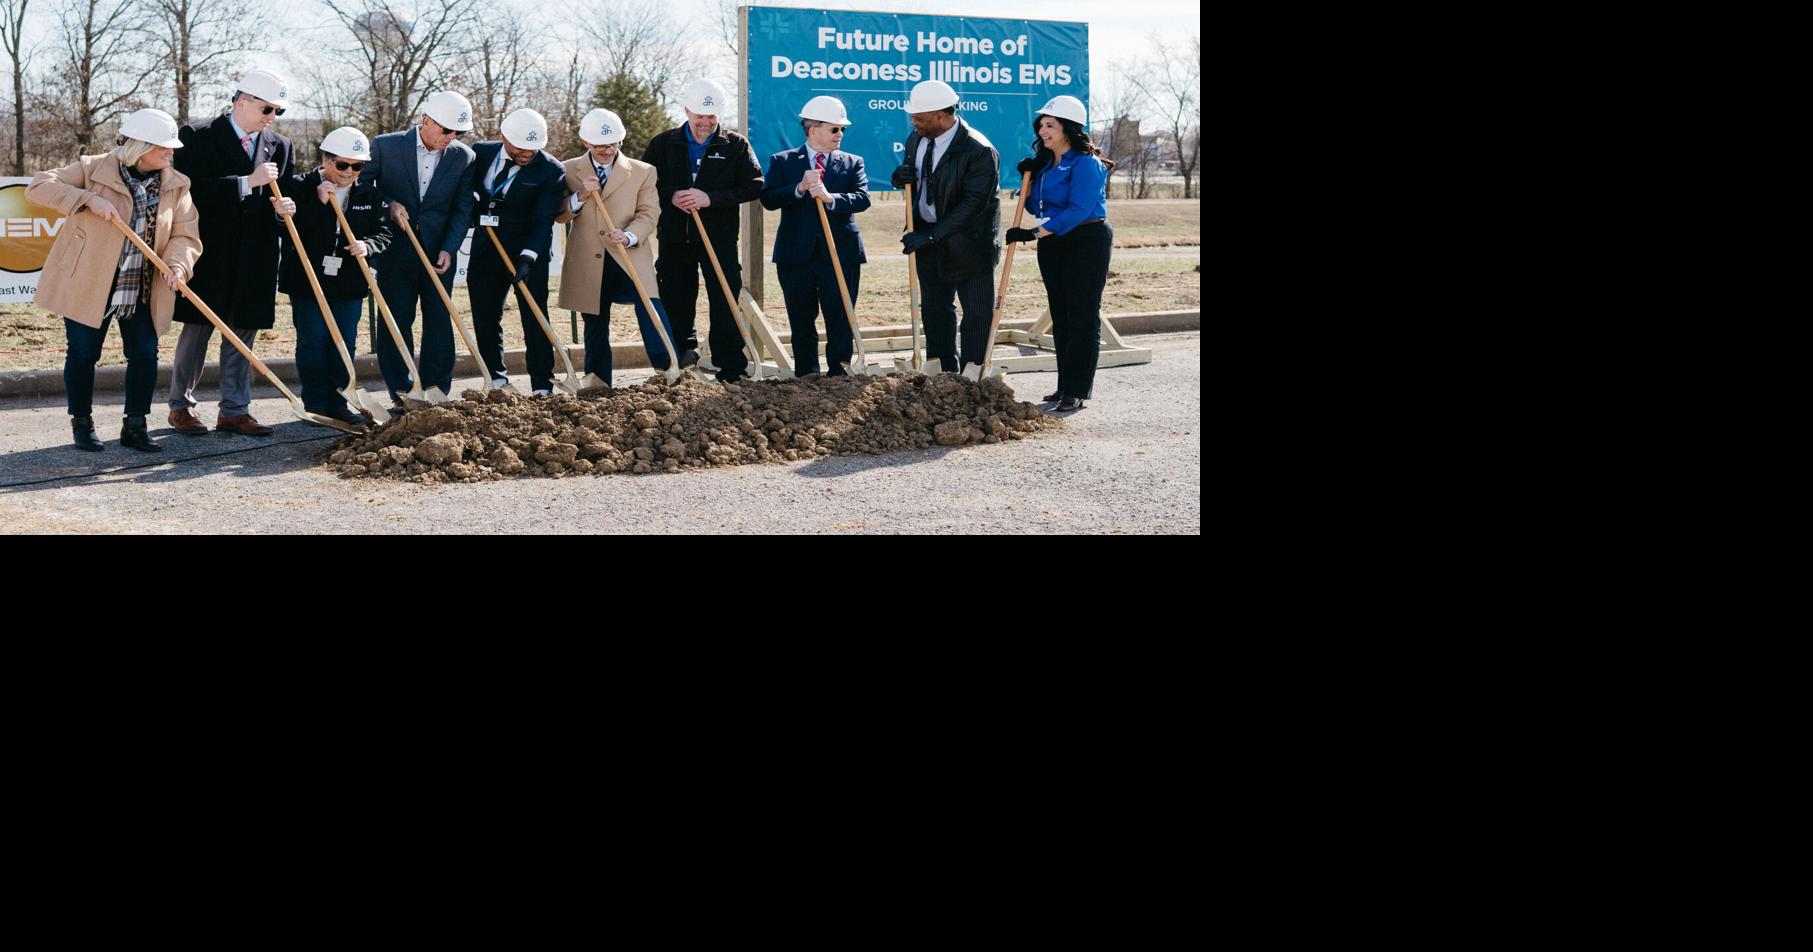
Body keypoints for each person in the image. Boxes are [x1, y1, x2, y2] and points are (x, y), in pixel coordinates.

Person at [27, 108, 201, 453]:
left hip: (141, 287)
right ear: (140, 146)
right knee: (83, 353)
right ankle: (82, 424)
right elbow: (39, 186)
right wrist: (87, 199)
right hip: (89, 282)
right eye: (164, 148)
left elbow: (186, 235)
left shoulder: (177, 185)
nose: (171, 153)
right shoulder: (93, 169)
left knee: (145, 355)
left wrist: (178, 265)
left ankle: (135, 426)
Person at [167, 68, 293, 436]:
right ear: (242, 102)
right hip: (211, 251)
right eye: (268, 109)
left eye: (278, 112)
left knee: (243, 331)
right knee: (197, 329)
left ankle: (235, 409)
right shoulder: (197, 136)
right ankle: (180, 406)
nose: (272, 118)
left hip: (257, 254)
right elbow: (189, 191)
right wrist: (244, 183)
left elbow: (281, 194)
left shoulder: (281, 146)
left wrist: (284, 209)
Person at [641, 78, 764, 382]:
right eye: (700, 116)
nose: (706, 123)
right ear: (687, 111)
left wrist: (710, 198)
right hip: (674, 237)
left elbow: (754, 185)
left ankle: (729, 364)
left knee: (724, 296)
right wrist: (671, 195)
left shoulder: (735, 144)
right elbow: (645, 183)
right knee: (676, 297)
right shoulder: (663, 143)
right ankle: (680, 360)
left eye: (712, 117)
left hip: (718, 238)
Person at [359, 91, 478, 401]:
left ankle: (437, 390)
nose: (452, 138)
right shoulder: (386, 146)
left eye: (459, 132)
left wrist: (450, 248)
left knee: (440, 319)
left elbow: (462, 208)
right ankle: (402, 391)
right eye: (447, 130)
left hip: (438, 252)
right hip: (394, 250)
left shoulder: (463, 157)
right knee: (396, 319)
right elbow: (361, 186)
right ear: (426, 121)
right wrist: (388, 204)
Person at [277, 127, 392, 429]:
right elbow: (286, 229)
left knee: (345, 342)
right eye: (342, 165)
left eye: (357, 166)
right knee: (313, 341)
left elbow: (383, 232)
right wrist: (317, 204)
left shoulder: (369, 192)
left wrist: (368, 245)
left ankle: (340, 403)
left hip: (350, 280)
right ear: (325, 159)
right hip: (309, 279)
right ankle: (316, 404)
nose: (349, 172)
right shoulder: (300, 186)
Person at [1006, 96, 1115, 413]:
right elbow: (1034, 207)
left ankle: (1078, 390)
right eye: (1040, 125)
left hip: (1086, 239)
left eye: (1050, 125)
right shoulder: (1044, 166)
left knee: (1082, 315)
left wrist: (1033, 233)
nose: (1042, 130)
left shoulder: (1086, 163)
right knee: (1062, 314)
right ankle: (1064, 384)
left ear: (1068, 128)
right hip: (1053, 241)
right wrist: (1025, 183)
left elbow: (1079, 209)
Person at [556, 108, 677, 386]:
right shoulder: (567, 170)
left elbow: (649, 213)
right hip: (589, 259)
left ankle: (668, 370)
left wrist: (630, 235)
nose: (607, 150)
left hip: (628, 254)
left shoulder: (643, 171)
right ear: (586, 142)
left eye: (613, 144)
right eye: (600, 145)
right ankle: (597, 379)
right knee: (595, 321)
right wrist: (581, 196)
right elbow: (559, 213)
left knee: (651, 309)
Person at [889, 79, 1001, 375]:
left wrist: (932, 235)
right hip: (928, 239)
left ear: (942, 115)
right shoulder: (917, 139)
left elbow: (972, 205)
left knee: (976, 315)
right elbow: (919, 182)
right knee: (936, 311)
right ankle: (943, 375)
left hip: (970, 245)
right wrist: (899, 178)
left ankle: (974, 377)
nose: (913, 123)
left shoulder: (978, 150)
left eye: (920, 118)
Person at [759, 96, 870, 375]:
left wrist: (831, 198)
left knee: (841, 314)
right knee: (800, 316)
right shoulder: (783, 161)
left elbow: (862, 198)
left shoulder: (853, 162)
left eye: (842, 129)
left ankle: (840, 371)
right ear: (813, 129)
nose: (840, 134)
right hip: (796, 254)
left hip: (841, 253)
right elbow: (769, 198)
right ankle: (807, 373)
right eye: (835, 129)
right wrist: (798, 188)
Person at [464, 108, 566, 395]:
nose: (527, 155)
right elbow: (470, 191)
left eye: (533, 150)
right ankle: (496, 379)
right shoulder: (481, 153)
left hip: (526, 249)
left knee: (534, 316)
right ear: (504, 137)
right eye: (521, 149)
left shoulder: (551, 170)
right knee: (485, 314)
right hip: (488, 246)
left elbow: (543, 220)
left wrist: (528, 257)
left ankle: (542, 384)